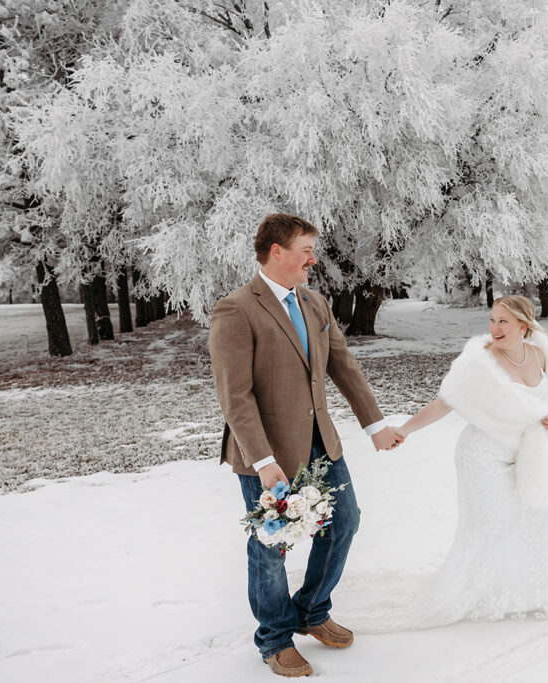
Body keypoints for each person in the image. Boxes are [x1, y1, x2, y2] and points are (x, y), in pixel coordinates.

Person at [207, 213, 404, 677]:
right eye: (306, 250)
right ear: (277, 252)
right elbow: (235, 396)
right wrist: (263, 460)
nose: (313, 259)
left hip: (322, 444)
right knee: (271, 545)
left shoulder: (315, 303)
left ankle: (312, 611)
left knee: (345, 521)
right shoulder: (236, 309)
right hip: (266, 453)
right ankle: (275, 638)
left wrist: (375, 424)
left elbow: (343, 365)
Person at [389, 295, 548, 627]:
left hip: (525, 456)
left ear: (523, 326)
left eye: (503, 321)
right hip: (482, 455)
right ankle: (481, 592)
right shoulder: (481, 360)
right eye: (492, 320)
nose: (495, 328)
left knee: (536, 517)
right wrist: (405, 429)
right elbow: (445, 402)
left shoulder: (539, 354)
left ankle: (539, 587)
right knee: (492, 525)